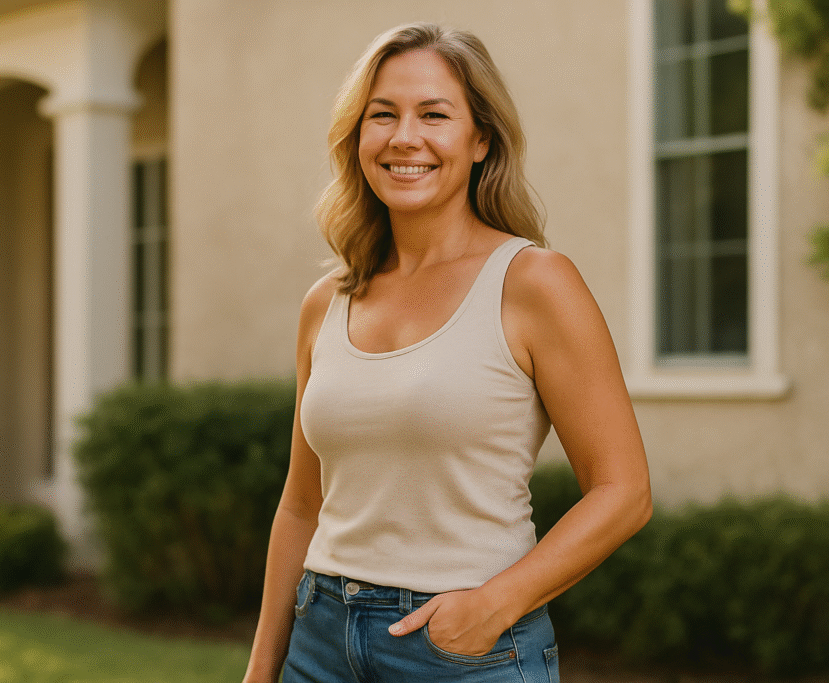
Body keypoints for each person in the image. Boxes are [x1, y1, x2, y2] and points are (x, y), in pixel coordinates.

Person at [242, 22, 651, 683]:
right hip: (317, 641)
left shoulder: (534, 282)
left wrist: (494, 604)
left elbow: (624, 491)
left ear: (479, 138)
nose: (405, 137)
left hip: (463, 651)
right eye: (383, 115)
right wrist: (263, 668)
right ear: (358, 137)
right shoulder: (327, 301)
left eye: (434, 114)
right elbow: (301, 504)